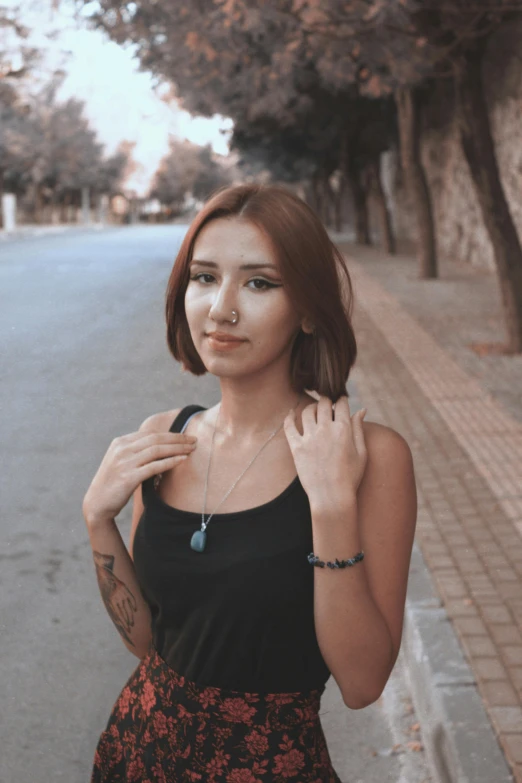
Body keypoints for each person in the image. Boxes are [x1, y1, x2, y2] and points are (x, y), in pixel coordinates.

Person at [83, 183, 417, 782]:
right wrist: (97, 521)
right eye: (205, 277)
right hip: (137, 753)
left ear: (309, 308)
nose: (221, 309)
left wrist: (332, 504)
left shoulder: (370, 457)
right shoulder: (164, 436)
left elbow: (363, 684)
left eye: (259, 282)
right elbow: (147, 642)